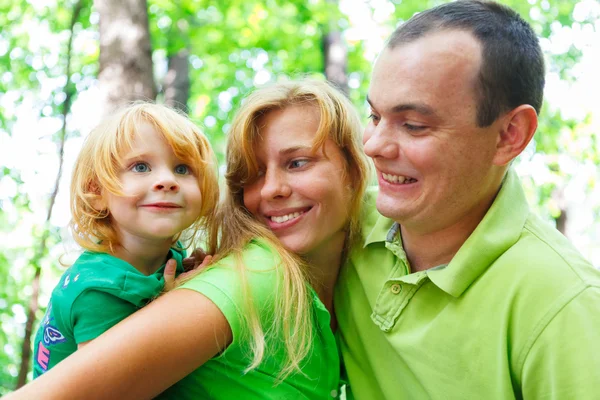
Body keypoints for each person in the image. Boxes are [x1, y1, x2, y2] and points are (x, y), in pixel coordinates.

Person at [7, 79, 370, 399]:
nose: (272, 188)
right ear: (97, 193)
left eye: (297, 163)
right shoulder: (255, 276)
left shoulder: (368, 269)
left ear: (354, 170)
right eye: (254, 173)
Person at [334, 1, 600, 399]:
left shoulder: (564, 306)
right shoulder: (341, 225)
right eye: (374, 117)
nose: (373, 145)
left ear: (510, 134)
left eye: (413, 125)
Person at [32, 102, 218, 377]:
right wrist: (173, 306)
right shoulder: (98, 291)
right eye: (141, 167)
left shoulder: (170, 252)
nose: (167, 181)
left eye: (182, 169)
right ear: (96, 191)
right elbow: (106, 388)